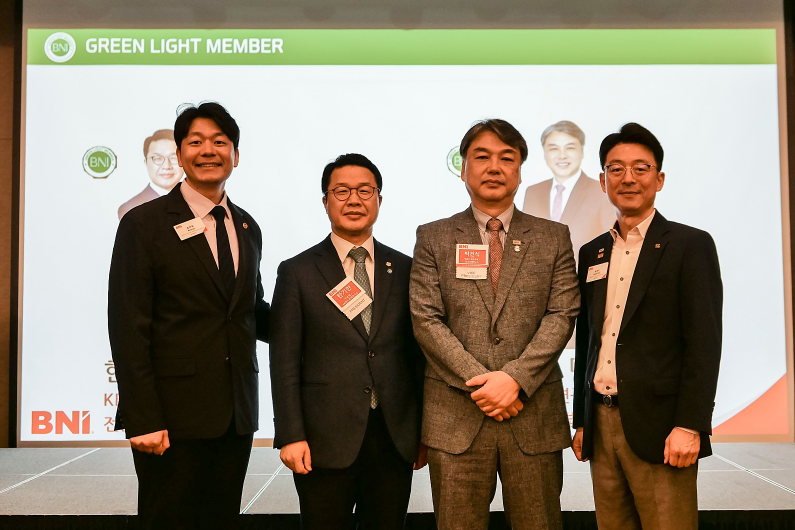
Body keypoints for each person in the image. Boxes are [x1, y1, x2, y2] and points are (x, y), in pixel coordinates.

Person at [410, 119, 580, 530]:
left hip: (532, 413)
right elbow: (426, 319)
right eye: (481, 157)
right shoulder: (432, 237)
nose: (494, 167)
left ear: (520, 171)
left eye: (507, 158)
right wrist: (485, 384)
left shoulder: (553, 236)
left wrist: (514, 379)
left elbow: (562, 314)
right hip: (456, 417)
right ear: (463, 168)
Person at [108, 102, 270, 529]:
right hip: (170, 418)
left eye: (220, 141)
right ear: (179, 155)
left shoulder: (247, 226)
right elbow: (128, 326)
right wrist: (142, 417)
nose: (208, 150)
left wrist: (318, 318)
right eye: (196, 142)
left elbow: (250, 311)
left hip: (235, 416)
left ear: (236, 155)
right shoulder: (143, 224)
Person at [572, 123, 722, 530]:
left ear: (659, 179)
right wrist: (582, 420)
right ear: (602, 181)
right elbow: (588, 339)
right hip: (601, 423)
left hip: (662, 427)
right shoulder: (592, 252)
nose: (628, 178)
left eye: (641, 168)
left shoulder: (690, 245)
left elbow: (704, 344)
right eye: (616, 169)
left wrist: (690, 424)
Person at [269, 153, 425, 530]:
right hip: (323, 439)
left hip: (393, 437)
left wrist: (422, 432)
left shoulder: (407, 268)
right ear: (325, 201)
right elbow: (284, 360)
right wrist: (290, 435)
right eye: (341, 191)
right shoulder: (297, 271)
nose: (354, 200)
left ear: (379, 200)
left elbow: (417, 356)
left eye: (364, 191)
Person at [522, 120, 614, 261]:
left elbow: (611, 244)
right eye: (553, 148)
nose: (562, 155)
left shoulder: (601, 191)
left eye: (570, 148)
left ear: (582, 151)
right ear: (544, 153)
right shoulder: (533, 192)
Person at [118, 129, 184, 219]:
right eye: (158, 158)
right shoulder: (131, 209)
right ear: (146, 162)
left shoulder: (196, 200)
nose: (166, 166)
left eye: (173, 158)